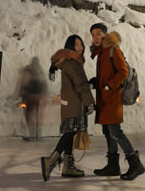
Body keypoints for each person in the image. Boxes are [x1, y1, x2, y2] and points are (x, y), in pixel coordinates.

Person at [89, 23, 145, 181]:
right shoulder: (101, 52)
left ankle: (136, 164)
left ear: (105, 34)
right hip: (104, 99)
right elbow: (108, 73)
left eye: (98, 34)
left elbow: (123, 71)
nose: (96, 37)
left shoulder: (114, 50)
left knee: (116, 132)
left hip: (112, 98)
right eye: (93, 35)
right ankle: (113, 165)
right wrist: (96, 82)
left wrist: (109, 85)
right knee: (108, 133)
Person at [40, 35, 96, 181]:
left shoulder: (68, 62)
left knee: (70, 132)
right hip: (75, 103)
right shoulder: (72, 63)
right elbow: (80, 84)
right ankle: (51, 161)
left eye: (81, 44)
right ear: (70, 47)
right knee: (69, 133)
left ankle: (67, 166)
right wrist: (90, 102)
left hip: (70, 102)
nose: (81, 47)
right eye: (77, 45)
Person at [17, 56, 47, 140]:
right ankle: (39, 135)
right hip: (39, 97)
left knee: (29, 116)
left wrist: (19, 93)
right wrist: (46, 95)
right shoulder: (40, 71)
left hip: (29, 97)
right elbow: (44, 84)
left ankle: (32, 135)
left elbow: (22, 83)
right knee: (39, 116)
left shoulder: (27, 71)